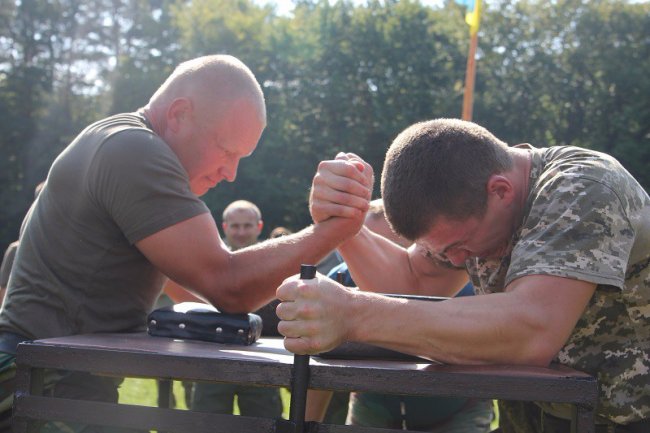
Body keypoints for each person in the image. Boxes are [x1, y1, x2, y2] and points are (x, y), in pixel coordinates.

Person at [0, 54, 373, 432]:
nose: (231, 173)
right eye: (227, 151)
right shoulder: (134, 150)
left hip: (45, 379)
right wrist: (335, 230)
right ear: (179, 115)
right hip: (38, 385)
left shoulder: (118, 141)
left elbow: (196, 292)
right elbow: (227, 285)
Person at [276, 118, 649, 433]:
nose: (455, 261)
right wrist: (346, 225)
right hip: (545, 413)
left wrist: (353, 312)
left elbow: (531, 331)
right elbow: (410, 285)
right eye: (443, 251)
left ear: (500, 190)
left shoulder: (584, 187)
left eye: (461, 247)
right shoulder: (472, 207)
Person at [327, 199, 493, 432]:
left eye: (390, 249)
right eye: (365, 248)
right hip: (373, 406)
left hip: (457, 408)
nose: (371, 260)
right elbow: (319, 363)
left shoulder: (466, 286)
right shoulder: (341, 281)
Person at [191, 199, 282, 418]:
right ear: (224, 227)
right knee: (206, 424)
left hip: (263, 358)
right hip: (212, 359)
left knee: (265, 424)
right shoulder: (208, 259)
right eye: (235, 226)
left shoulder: (275, 260)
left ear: (259, 226)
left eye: (247, 225)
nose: (241, 232)